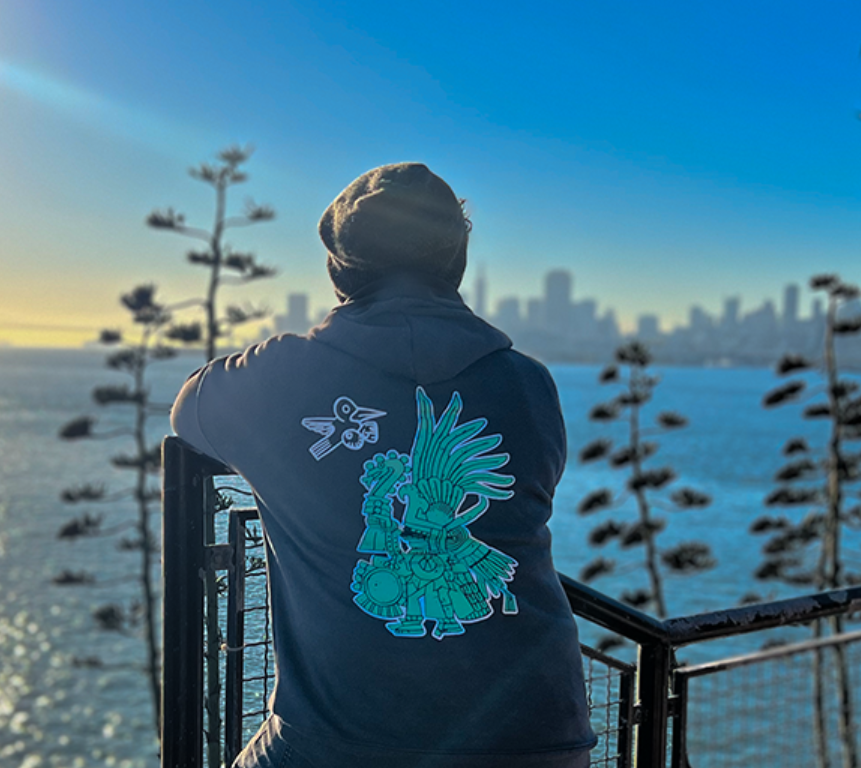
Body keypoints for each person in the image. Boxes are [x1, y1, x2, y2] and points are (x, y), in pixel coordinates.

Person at [171, 163, 595, 768]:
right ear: (457, 263)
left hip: (342, 742)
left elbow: (188, 410)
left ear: (339, 269)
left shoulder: (279, 376)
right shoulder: (528, 383)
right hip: (538, 736)